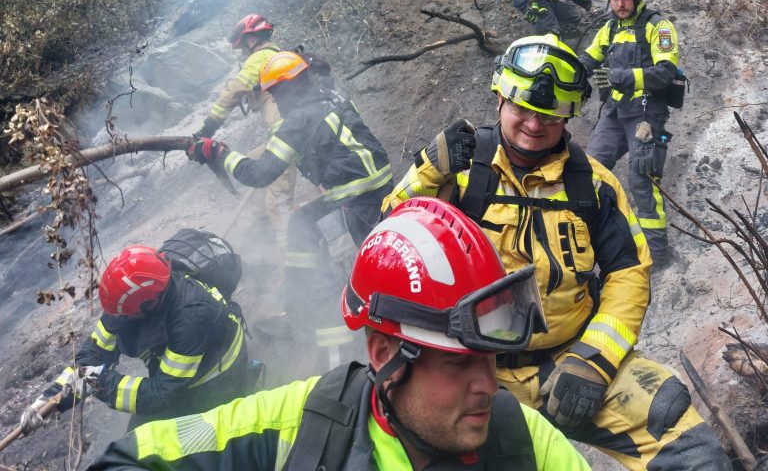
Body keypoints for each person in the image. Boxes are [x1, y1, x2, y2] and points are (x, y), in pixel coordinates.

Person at [382, 35, 729, 471]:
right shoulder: (458, 173)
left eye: (549, 114)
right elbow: (388, 246)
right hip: (472, 368)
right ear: (499, 97)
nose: (534, 124)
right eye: (522, 108)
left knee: (689, 444)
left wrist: (595, 360)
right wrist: (427, 172)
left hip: (573, 359)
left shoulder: (595, 185)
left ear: (569, 115)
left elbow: (629, 272)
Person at [87, 198, 590, 471]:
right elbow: (135, 455)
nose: (491, 385)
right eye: (458, 361)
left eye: (491, 356)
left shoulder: (524, 440)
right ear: (384, 353)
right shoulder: (298, 423)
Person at [189, 50, 394, 368]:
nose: (274, 101)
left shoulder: (298, 120)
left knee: (306, 234)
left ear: (288, 88)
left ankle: (323, 316)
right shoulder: (332, 97)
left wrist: (219, 152)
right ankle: (298, 303)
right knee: (301, 220)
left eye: (275, 93)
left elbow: (259, 174)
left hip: (354, 201)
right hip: (382, 189)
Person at [21, 245, 248, 434]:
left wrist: (98, 383)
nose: (119, 317)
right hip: (178, 374)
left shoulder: (191, 317)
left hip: (218, 377)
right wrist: (48, 400)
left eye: (125, 313)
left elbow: (162, 395)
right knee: (137, 439)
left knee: (168, 445)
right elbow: (92, 356)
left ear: (149, 304)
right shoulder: (134, 297)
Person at [579, 0, 679, 266]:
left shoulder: (658, 26)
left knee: (641, 181)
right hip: (614, 113)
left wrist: (620, 77)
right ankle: (594, 241)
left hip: (646, 116)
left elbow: (665, 72)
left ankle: (657, 256)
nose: (619, 4)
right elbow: (588, 58)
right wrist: (565, 68)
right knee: (590, 171)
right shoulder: (609, 28)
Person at [195, 13, 296, 263]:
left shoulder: (261, 57)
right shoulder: (277, 56)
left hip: (287, 138)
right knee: (253, 159)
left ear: (251, 40)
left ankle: (289, 269)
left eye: (242, 47)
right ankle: (262, 237)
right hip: (285, 135)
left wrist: (207, 129)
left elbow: (235, 90)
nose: (242, 53)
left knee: (278, 207)